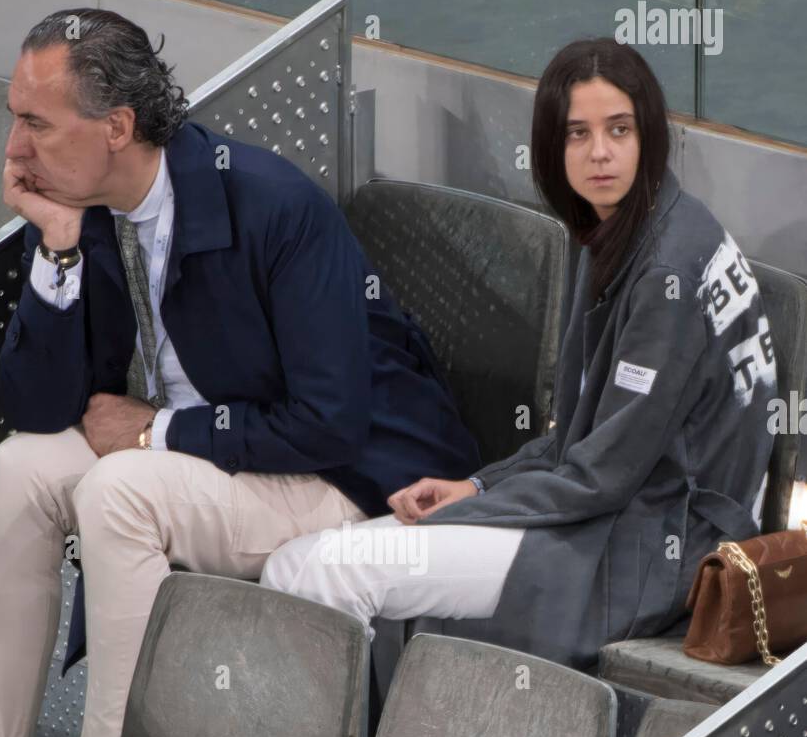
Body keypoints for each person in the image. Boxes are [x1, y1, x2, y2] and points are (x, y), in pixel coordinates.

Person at [0, 8, 479, 737]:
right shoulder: (84, 210)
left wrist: (158, 432)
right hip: (203, 458)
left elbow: (329, 424)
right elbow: (39, 410)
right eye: (15, 120)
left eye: (37, 123)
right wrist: (58, 251)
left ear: (116, 127)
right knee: (16, 469)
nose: (13, 149)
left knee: (119, 490)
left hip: (346, 473)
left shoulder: (273, 207)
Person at [261, 38, 777, 670]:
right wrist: (474, 484)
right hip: (612, 514)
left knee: (327, 572)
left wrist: (477, 505)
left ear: (649, 136)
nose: (601, 153)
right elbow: (578, 446)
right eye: (577, 134)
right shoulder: (622, 230)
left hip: (653, 546)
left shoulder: (666, 268)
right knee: (293, 566)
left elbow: (600, 475)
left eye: (620, 129)